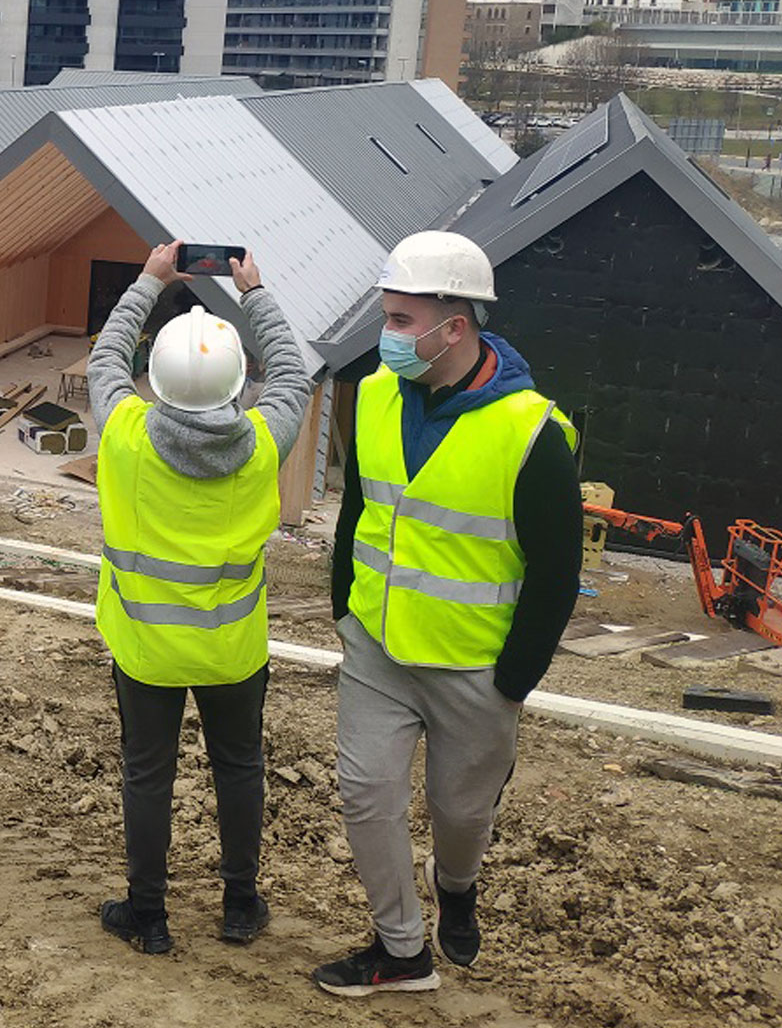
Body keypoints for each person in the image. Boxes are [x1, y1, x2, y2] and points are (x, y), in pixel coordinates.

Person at [314, 231, 579, 996]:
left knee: (460, 815)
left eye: (400, 321)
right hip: (377, 650)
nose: (386, 336)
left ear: (454, 327)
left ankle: (456, 886)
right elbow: (358, 510)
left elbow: (557, 573)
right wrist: (345, 609)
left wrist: (515, 679)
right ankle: (401, 949)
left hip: (474, 668)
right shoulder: (370, 396)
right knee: (366, 796)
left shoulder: (532, 434)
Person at [88, 242, 311, 956]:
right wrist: (255, 293)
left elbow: (104, 360)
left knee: (147, 776)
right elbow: (295, 380)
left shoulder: (125, 439)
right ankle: (240, 904)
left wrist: (150, 280)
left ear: (154, 382)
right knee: (238, 768)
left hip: (148, 651)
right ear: (238, 383)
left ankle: (148, 915)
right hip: (233, 651)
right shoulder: (261, 446)